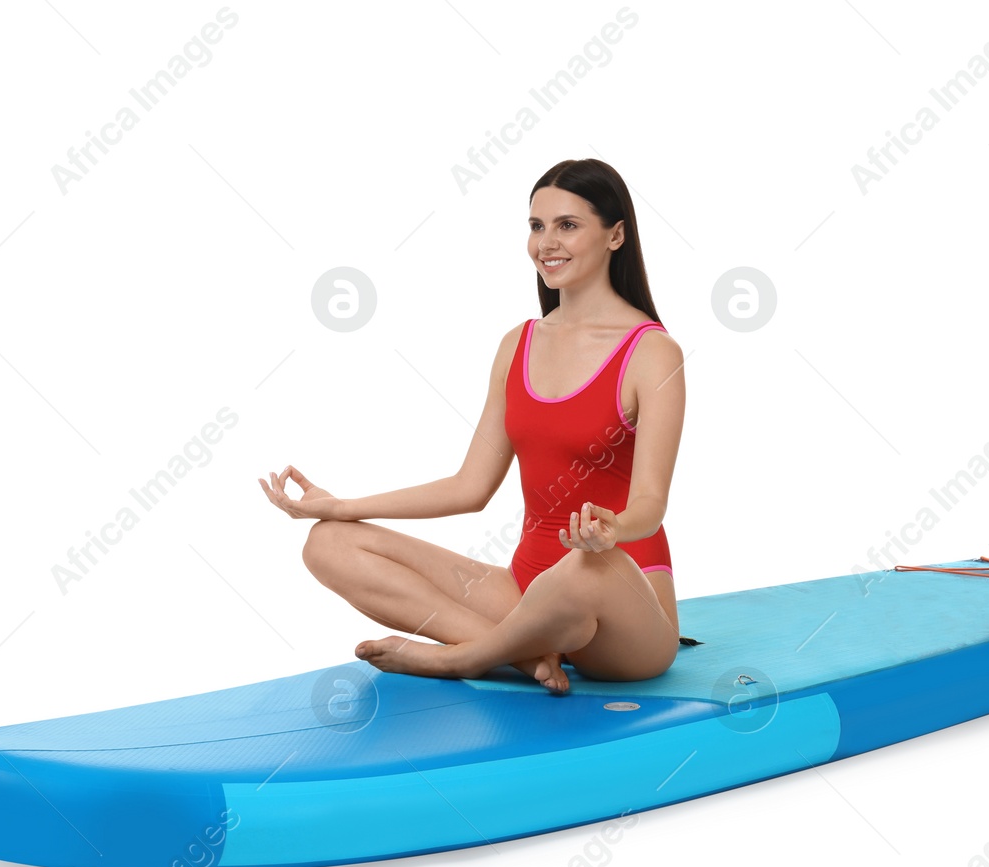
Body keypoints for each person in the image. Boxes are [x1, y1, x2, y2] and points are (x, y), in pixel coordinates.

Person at [258, 158, 685, 694]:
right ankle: (523, 654)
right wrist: (340, 507)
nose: (546, 243)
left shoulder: (652, 352)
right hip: (527, 592)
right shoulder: (517, 345)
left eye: (567, 225)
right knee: (327, 545)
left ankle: (461, 658)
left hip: (622, 599)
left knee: (579, 568)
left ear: (616, 234)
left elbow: (650, 503)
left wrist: (611, 531)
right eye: (536, 226)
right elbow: (470, 486)